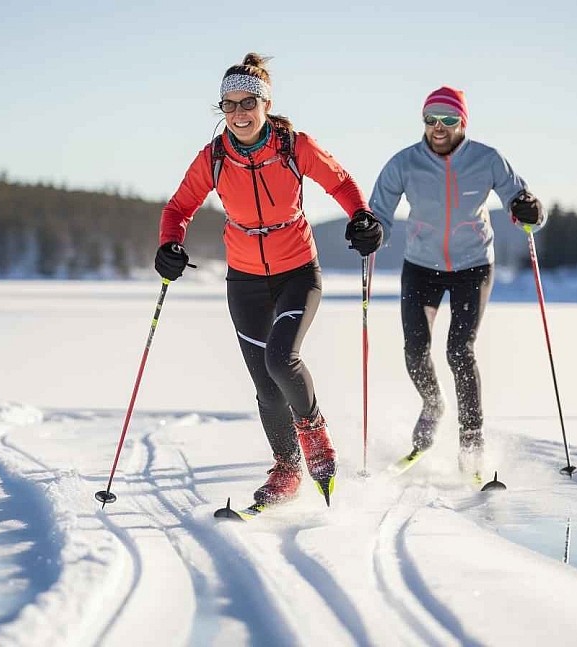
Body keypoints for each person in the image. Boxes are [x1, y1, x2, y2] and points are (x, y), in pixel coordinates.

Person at [155, 52, 383, 507]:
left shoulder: (293, 145)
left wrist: (361, 216)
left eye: (247, 104)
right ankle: (287, 468)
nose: (238, 114)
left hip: (298, 270)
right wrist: (169, 244)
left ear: (265, 104)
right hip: (244, 279)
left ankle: (314, 434)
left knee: (283, 360)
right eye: (230, 105)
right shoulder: (214, 157)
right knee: (264, 383)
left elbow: (340, 182)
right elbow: (178, 208)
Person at [368, 86, 545, 477]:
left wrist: (529, 210)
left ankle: (472, 441)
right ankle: (433, 405)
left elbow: (523, 204)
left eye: (448, 120)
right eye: (431, 120)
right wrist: (372, 231)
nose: (438, 128)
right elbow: (378, 213)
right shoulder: (404, 163)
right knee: (415, 348)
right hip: (421, 264)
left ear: (462, 122)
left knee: (459, 349)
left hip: (473, 265)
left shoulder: (487, 159)